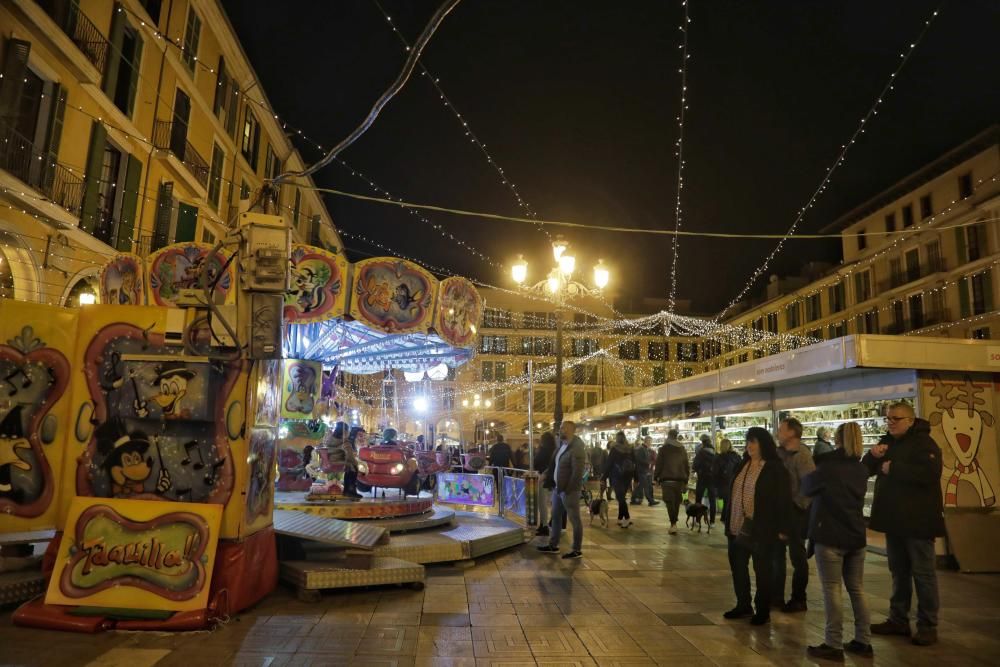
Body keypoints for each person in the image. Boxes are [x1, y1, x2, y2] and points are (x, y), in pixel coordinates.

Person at [864, 402, 944, 647]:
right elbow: (866, 469)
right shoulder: (888, 441)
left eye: (896, 419)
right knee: (899, 572)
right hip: (895, 520)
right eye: (888, 419)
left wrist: (894, 468)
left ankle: (927, 625)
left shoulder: (925, 444)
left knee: (923, 574)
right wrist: (872, 456)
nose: (890, 423)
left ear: (910, 420)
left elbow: (930, 474)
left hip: (918, 521)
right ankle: (898, 619)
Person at [803, 422, 873, 661]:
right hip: (856, 535)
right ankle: (864, 639)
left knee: (832, 590)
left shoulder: (828, 466)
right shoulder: (861, 469)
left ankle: (833, 643)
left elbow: (807, 487)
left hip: (830, 534)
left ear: (837, 439)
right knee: (857, 589)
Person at [724, 427, 792, 626]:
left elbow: (783, 499)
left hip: (761, 528)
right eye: (748, 442)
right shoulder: (743, 464)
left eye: (754, 442)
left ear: (764, 444)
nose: (749, 446)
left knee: (762, 569)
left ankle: (763, 609)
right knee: (738, 567)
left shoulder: (774, 468)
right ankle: (743, 604)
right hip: (737, 526)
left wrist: (783, 528)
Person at [773, 417, 815, 613]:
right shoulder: (778, 453)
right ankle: (776, 597)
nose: (778, 433)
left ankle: (799, 598)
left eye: (781, 430)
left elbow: (809, 486)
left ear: (791, 433)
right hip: (779, 512)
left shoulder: (802, 455)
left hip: (796, 513)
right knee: (777, 555)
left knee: (798, 557)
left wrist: (796, 507)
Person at [538, 421, 586, 559]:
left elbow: (577, 473)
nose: (561, 430)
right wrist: (546, 474)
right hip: (558, 488)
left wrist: (569, 489)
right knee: (556, 516)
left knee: (574, 518)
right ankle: (553, 545)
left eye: (563, 428)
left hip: (569, 490)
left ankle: (577, 549)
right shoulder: (561, 446)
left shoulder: (577, 448)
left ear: (571, 430)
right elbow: (554, 464)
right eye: (560, 428)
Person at [654, 428, 689, 535]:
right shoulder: (682, 448)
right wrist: (686, 478)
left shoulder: (663, 449)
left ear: (668, 436)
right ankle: (674, 522)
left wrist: (656, 478)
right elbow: (686, 464)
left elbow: (659, 464)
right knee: (677, 502)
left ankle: (673, 523)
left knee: (669, 502)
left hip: (667, 479)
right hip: (679, 480)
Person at [603, 431, 636, 528]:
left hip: (617, 476)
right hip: (628, 476)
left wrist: (603, 477)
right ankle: (619, 519)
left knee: (620, 498)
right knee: (622, 496)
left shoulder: (614, 449)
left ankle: (627, 518)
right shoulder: (630, 448)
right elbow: (635, 463)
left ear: (617, 439)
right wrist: (636, 477)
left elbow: (609, 464)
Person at [714, 438, 742, 527]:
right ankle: (727, 518)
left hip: (722, 484)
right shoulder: (736, 457)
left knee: (725, 500)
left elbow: (715, 472)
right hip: (734, 482)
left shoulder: (718, 458)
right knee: (730, 501)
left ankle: (725, 517)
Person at [534, 431, 557, 537]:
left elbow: (536, 462)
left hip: (542, 478)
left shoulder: (543, 451)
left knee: (542, 504)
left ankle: (544, 526)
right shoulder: (554, 450)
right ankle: (543, 524)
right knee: (546, 503)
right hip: (551, 479)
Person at [692, 434, 718, 524]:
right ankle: (712, 522)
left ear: (702, 442)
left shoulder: (700, 453)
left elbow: (694, 466)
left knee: (698, 499)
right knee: (712, 500)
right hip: (712, 479)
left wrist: (697, 470)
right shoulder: (715, 453)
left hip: (702, 478)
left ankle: (697, 520)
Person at [630, 436, 660, 506]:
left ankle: (633, 499)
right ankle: (650, 501)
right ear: (647, 441)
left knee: (641, 486)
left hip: (645, 471)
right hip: (642, 471)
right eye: (650, 441)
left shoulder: (644, 449)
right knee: (645, 486)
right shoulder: (641, 449)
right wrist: (648, 464)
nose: (651, 443)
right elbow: (639, 460)